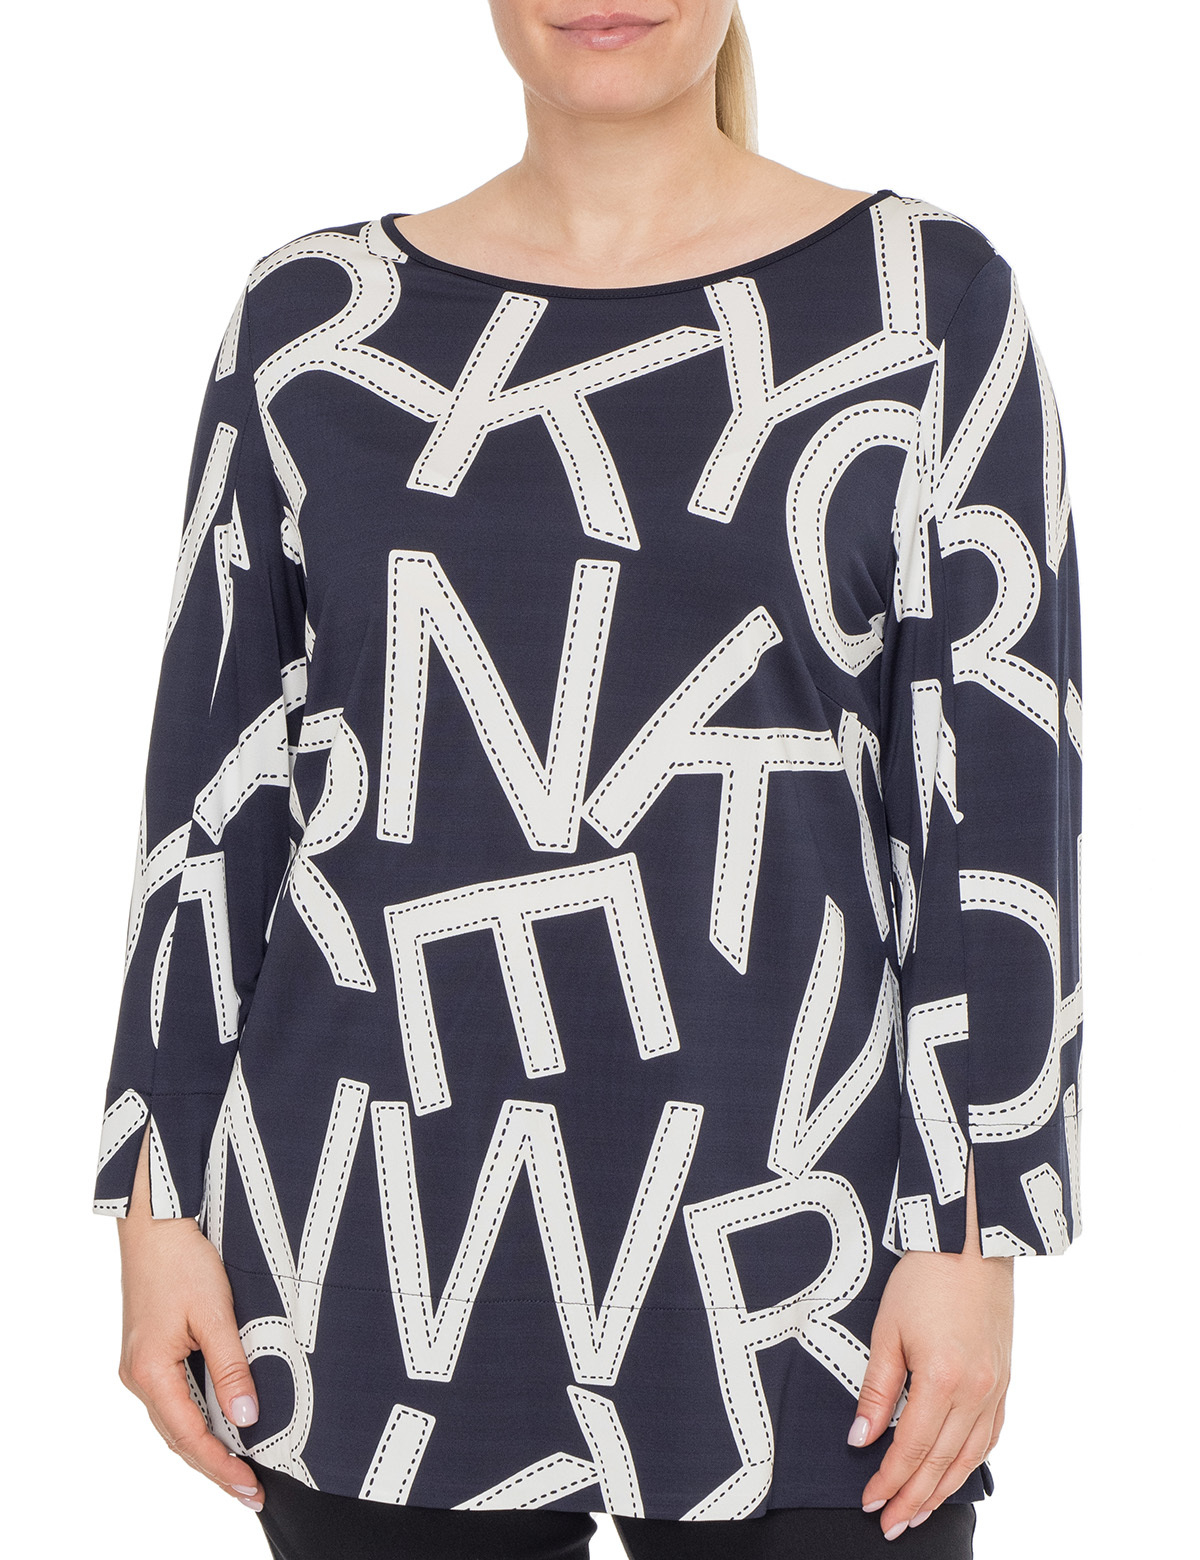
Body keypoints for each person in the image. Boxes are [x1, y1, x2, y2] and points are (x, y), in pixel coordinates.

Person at [92, 4, 1083, 1557]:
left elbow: (997, 803)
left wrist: (977, 1229)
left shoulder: (925, 304)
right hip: (372, 1214)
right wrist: (155, 1199)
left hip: (795, 1226)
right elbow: (214, 790)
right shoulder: (313, 323)